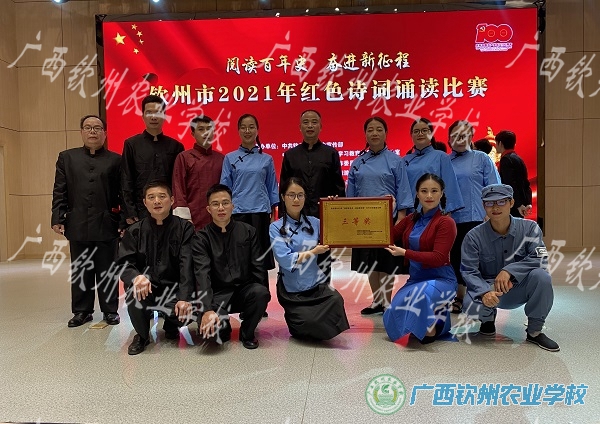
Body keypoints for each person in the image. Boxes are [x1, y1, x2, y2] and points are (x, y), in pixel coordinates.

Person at [461, 184, 559, 352]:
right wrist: (484, 292)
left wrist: (509, 271)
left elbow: (541, 258)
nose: (495, 207)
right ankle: (487, 323)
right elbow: (469, 271)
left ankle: (535, 331)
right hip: (490, 289)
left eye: (501, 202)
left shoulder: (530, 228)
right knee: (470, 306)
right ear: (483, 205)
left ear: (511, 203)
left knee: (542, 277)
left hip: (519, 286)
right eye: (490, 203)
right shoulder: (473, 237)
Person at [51, 114, 122, 327]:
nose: (93, 131)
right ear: (81, 132)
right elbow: (60, 190)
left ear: (105, 133)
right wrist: (57, 216)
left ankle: (110, 310)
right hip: (78, 222)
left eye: (97, 128)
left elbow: (123, 193)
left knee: (107, 269)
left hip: (107, 222)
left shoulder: (116, 160)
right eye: (88, 127)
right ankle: (82, 311)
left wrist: (123, 222)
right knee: (81, 269)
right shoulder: (67, 158)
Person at [116, 181, 196, 355]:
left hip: (174, 289)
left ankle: (172, 325)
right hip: (147, 289)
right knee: (134, 290)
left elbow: (187, 265)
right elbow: (123, 264)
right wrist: (136, 277)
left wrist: (184, 297)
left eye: (162, 196)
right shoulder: (135, 231)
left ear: (172, 200)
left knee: (191, 308)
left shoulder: (185, 228)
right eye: (151, 197)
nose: (157, 201)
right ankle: (142, 335)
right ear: (145, 202)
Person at [346, 117, 413, 315]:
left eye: (379, 129)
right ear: (365, 134)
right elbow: (351, 194)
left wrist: (401, 218)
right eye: (370, 130)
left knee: (386, 262)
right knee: (370, 263)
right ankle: (376, 300)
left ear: (385, 133)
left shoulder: (396, 161)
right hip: (363, 220)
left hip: (388, 220)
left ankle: (386, 301)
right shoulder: (358, 162)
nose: (374, 133)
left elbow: (403, 189)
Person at [270, 177, 350, 340]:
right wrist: (313, 251)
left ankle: (311, 324)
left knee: (336, 300)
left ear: (305, 198)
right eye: (291, 195)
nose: (296, 199)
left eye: (300, 195)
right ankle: (299, 322)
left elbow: (339, 230)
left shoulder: (315, 223)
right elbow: (285, 260)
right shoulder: (275, 227)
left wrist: (332, 208)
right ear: (283, 197)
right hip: (292, 289)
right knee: (309, 322)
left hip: (314, 284)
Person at [193, 184, 271, 349]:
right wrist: (207, 309)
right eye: (215, 204)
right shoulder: (201, 238)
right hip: (216, 295)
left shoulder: (248, 231)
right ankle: (223, 325)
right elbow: (202, 274)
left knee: (260, 293)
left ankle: (247, 332)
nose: (221, 208)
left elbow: (258, 266)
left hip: (243, 291)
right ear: (208, 209)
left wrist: (262, 300)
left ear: (232, 206)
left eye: (225, 203)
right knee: (212, 335)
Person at [383, 173, 457, 344]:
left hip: (442, 279)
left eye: (434, 191)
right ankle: (434, 316)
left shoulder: (446, 222)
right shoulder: (411, 219)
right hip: (416, 280)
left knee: (421, 298)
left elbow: (438, 258)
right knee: (393, 312)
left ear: (441, 193)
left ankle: (436, 322)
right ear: (417, 194)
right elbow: (385, 236)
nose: (429, 195)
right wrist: (388, 210)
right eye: (424, 191)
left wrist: (405, 253)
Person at [280, 110, 346, 283]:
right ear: (300, 127)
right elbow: (283, 189)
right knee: (297, 256)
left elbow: (339, 188)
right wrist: (283, 220)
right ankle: (296, 292)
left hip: (322, 218)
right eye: (306, 122)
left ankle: (324, 293)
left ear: (321, 126)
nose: (310, 125)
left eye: (314, 122)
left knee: (323, 260)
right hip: (296, 218)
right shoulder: (290, 155)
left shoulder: (331, 154)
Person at [448, 120, 500, 313]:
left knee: (480, 261)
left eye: (463, 135)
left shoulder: (482, 158)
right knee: (457, 259)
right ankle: (459, 297)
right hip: (453, 220)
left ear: (471, 137)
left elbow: (493, 187)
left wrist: (491, 215)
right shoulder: (445, 162)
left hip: (478, 218)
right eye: (455, 135)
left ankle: (483, 297)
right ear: (449, 139)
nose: (459, 139)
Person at [220, 114, 279, 275]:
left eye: (251, 127)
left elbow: (272, 187)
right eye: (244, 127)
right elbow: (225, 189)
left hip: (261, 214)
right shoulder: (229, 158)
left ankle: (262, 289)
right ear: (238, 131)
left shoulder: (266, 159)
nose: (247, 131)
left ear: (257, 130)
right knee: (239, 258)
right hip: (237, 214)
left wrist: (274, 215)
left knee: (260, 259)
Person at [121, 95, 184, 224]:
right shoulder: (132, 144)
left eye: (158, 112)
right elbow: (126, 179)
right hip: (140, 211)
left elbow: (179, 183)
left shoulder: (176, 146)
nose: (154, 117)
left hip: (169, 211)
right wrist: (130, 211)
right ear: (143, 116)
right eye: (149, 112)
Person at [172, 115, 225, 231]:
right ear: (193, 134)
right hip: (192, 219)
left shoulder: (221, 159)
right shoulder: (184, 157)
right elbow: (178, 188)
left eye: (209, 129)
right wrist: (184, 218)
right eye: (201, 129)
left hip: (218, 217)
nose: (206, 133)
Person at [403, 118, 464, 213]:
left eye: (424, 130)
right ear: (411, 135)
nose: (420, 134)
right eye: (416, 131)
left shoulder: (441, 157)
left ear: (431, 133)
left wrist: (447, 212)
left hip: (435, 212)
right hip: (410, 213)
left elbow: (450, 186)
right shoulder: (404, 160)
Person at [495, 130, 533, 218]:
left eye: (496, 143)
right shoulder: (518, 158)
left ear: (500, 143)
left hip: (512, 205)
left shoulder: (506, 160)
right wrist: (527, 202)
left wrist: (518, 205)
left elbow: (510, 184)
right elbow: (525, 183)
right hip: (520, 204)